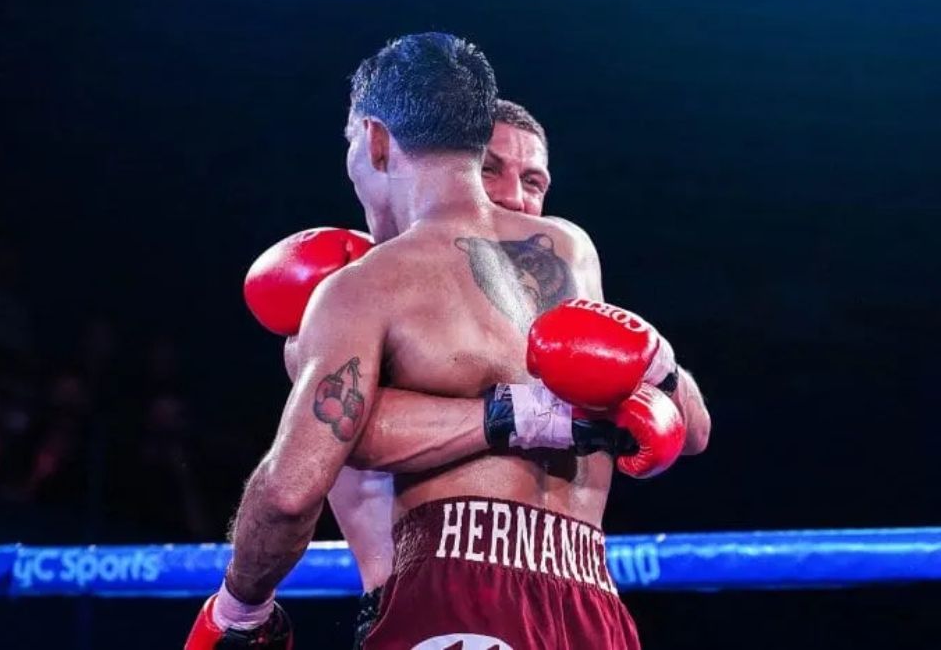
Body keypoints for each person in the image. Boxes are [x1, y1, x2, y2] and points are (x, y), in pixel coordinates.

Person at [189, 33, 709, 648]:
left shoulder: (362, 289)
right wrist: (548, 408)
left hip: (450, 591)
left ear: (376, 140)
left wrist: (238, 608)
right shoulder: (569, 250)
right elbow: (691, 430)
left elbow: (291, 490)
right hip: (589, 602)